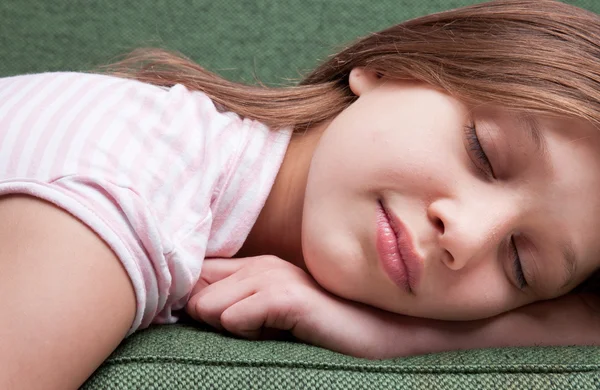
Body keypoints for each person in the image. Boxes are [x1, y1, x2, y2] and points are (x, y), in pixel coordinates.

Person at [2, 0, 600, 387]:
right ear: (391, 67)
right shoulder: (135, 182)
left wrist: (392, 336)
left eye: (521, 264)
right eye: (484, 152)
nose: (466, 237)